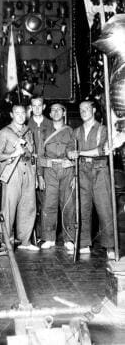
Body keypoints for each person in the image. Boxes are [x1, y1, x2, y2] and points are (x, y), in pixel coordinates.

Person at [67, 100, 115, 259]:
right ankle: (84, 243)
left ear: (93, 110)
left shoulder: (103, 129)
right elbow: (69, 149)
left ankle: (110, 246)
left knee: (105, 209)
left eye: (86, 108)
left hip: (99, 171)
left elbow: (102, 150)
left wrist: (79, 153)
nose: (83, 111)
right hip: (82, 172)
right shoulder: (76, 131)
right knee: (82, 209)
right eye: (81, 109)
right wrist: (70, 154)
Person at [0, 105, 39, 251]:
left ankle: (24, 241)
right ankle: (5, 241)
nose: (20, 116)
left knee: (28, 206)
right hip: (13, 171)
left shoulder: (28, 131)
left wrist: (36, 175)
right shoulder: (4, 132)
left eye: (22, 113)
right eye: (17, 113)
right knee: (9, 207)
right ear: (12, 115)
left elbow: (33, 154)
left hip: (29, 170)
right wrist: (12, 154)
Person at [37, 103, 75, 252]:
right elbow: (40, 155)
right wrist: (40, 175)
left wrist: (75, 176)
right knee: (49, 204)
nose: (56, 112)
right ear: (50, 114)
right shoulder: (44, 132)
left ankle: (69, 238)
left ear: (64, 113)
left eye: (59, 109)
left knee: (68, 205)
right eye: (53, 110)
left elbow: (76, 153)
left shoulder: (72, 132)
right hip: (50, 171)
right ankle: (49, 238)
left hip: (67, 171)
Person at [27, 96, 52, 240]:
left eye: (39, 105)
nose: (36, 108)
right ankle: (30, 235)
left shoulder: (51, 125)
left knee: (47, 202)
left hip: (47, 169)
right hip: (30, 169)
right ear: (31, 107)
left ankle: (45, 235)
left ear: (43, 107)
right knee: (30, 203)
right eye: (33, 105)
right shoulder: (25, 125)